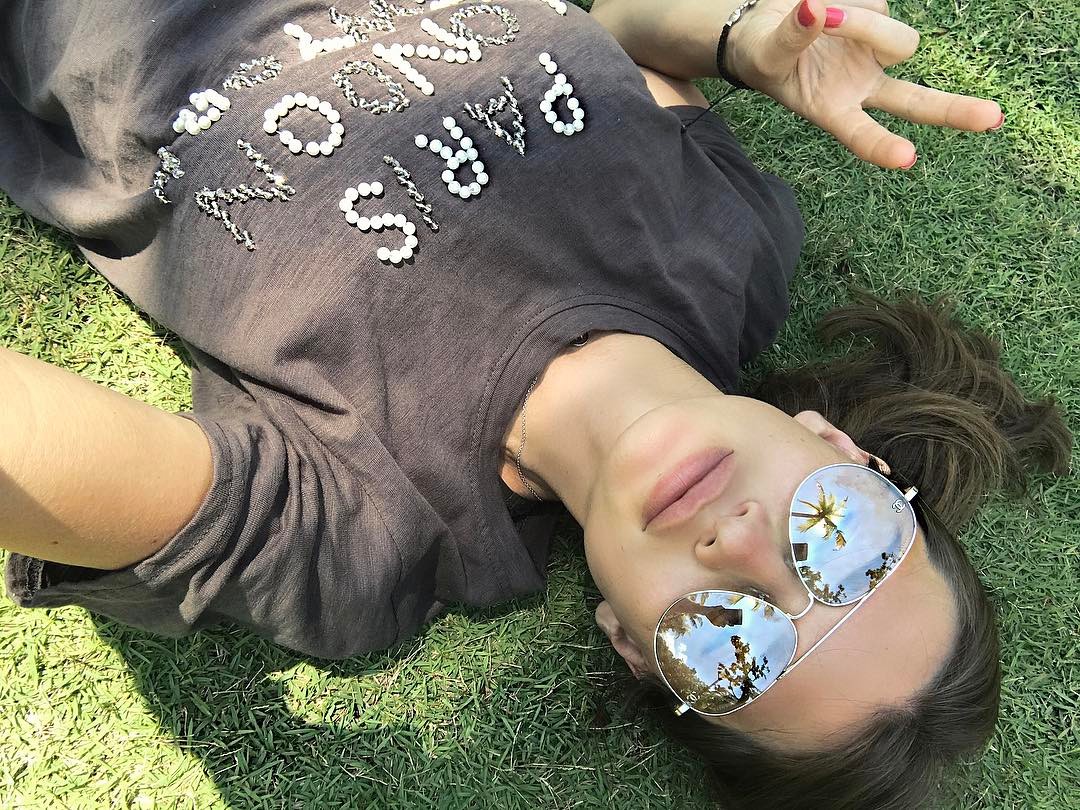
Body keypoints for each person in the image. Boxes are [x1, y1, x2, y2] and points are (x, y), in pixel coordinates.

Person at [0, 0, 1069, 807]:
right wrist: (738, 39)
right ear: (844, 450)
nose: (746, 545)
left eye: (735, 649)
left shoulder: (373, 534)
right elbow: (620, 34)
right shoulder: (736, 250)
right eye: (844, 541)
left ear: (636, 648)